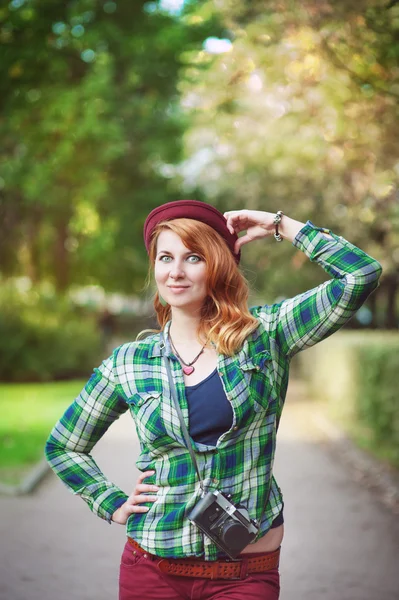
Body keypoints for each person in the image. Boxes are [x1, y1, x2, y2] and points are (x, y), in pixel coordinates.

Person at [45, 200, 382, 600]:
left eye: (193, 257)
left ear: (218, 265)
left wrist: (280, 225)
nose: (176, 271)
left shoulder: (266, 335)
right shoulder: (129, 363)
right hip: (153, 568)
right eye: (165, 257)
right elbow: (64, 446)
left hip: (245, 571)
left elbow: (360, 275)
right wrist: (111, 502)